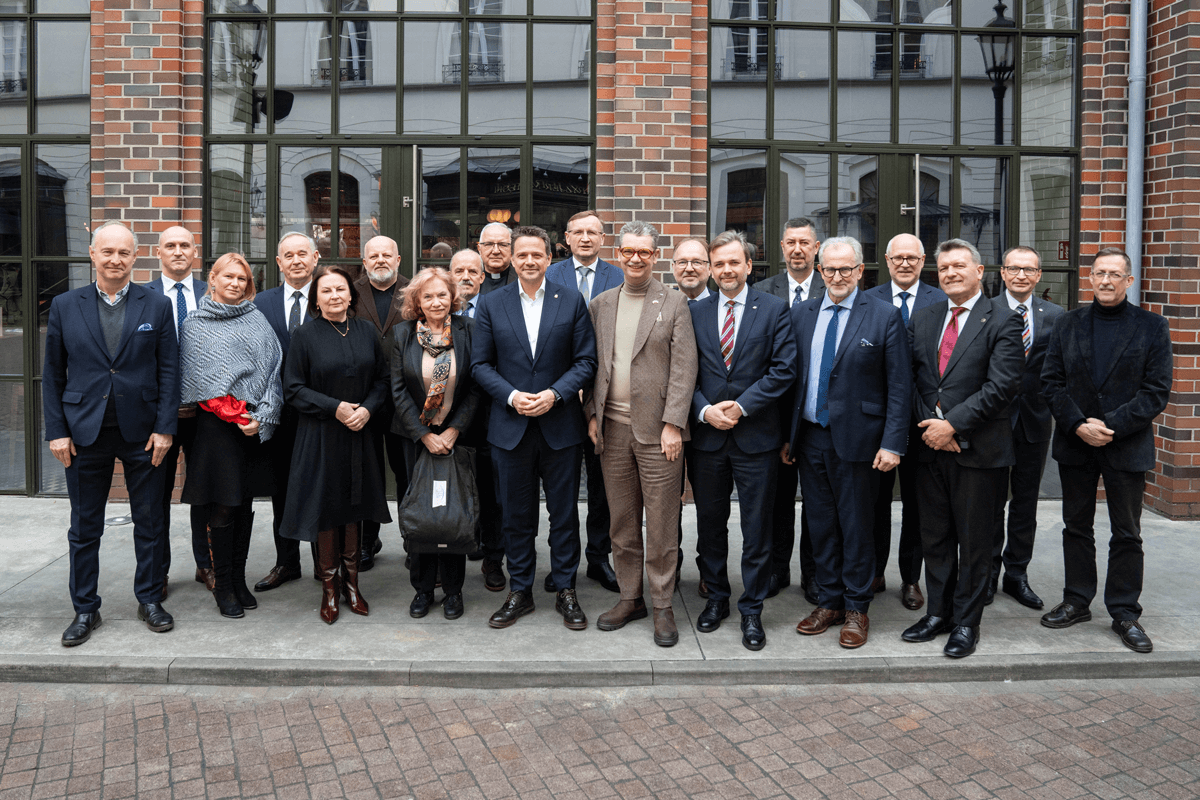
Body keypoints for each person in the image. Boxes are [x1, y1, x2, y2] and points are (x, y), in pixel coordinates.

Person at [44, 221, 179, 646]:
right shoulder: (66, 305)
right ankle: (85, 608)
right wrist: (57, 431)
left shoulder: (156, 305)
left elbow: (169, 371)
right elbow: (52, 374)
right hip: (84, 433)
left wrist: (165, 428)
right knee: (85, 528)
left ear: (135, 257)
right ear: (93, 254)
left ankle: (150, 599)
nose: (115, 259)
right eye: (107, 252)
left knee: (150, 522)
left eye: (123, 252)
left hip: (143, 433)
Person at [1040, 247, 1171, 653]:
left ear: (1129, 280)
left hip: (1126, 444)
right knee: (1076, 527)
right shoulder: (1067, 324)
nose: (1107, 281)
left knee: (1126, 531)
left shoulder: (1152, 326)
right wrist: (1078, 424)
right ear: (1090, 278)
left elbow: (1156, 391)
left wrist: (1109, 425)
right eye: (1100, 273)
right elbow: (1051, 382)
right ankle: (1077, 600)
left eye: (1115, 274)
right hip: (1075, 443)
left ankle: (1125, 612)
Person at [786, 237, 911, 649]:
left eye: (846, 269)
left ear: (860, 271)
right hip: (811, 437)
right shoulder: (802, 314)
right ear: (820, 271)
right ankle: (830, 601)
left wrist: (893, 443)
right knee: (821, 526)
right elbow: (793, 379)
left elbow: (899, 386)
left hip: (861, 441)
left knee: (856, 526)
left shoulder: (884, 315)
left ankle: (857, 607)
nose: (837, 277)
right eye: (830, 269)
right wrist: (789, 437)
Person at [471, 225, 598, 630]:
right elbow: (480, 365)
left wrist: (555, 394)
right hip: (510, 428)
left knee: (564, 515)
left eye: (536, 255)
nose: (529, 261)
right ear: (512, 259)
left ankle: (566, 589)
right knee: (516, 516)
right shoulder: (492, 303)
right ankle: (520, 590)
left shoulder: (571, 300)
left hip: (560, 427)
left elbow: (586, 361)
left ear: (549, 258)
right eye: (521, 254)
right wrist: (511, 396)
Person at [901, 239, 1023, 658]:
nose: (950, 273)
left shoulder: (1004, 321)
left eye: (958, 266)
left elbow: (1002, 386)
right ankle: (938, 613)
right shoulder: (925, 317)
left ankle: (967, 623)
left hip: (979, 452)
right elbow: (910, 379)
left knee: (974, 543)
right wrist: (930, 427)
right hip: (929, 448)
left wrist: (951, 424)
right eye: (944, 268)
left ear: (979, 270)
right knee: (934, 537)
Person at [586, 221, 697, 647]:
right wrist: (591, 414)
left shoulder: (674, 302)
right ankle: (630, 597)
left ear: (655, 255)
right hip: (612, 430)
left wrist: (674, 423)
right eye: (629, 251)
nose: (636, 259)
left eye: (644, 252)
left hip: (658, 434)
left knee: (662, 524)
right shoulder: (601, 304)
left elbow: (684, 368)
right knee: (622, 522)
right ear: (618, 253)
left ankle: (663, 604)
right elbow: (592, 364)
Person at [689, 230, 797, 652]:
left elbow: (784, 369)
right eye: (719, 264)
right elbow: (682, 373)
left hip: (756, 438)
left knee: (757, 528)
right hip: (707, 439)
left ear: (749, 266)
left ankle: (752, 608)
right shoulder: (694, 312)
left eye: (734, 262)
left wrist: (741, 407)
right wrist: (704, 410)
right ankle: (717, 597)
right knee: (710, 526)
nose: (727, 270)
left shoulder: (773, 309)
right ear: (711, 270)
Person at [281, 266, 391, 625]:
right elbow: (293, 388)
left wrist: (368, 409)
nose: (334, 296)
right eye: (325, 291)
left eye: (340, 289)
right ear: (315, 298)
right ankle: (329, 587)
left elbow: (382, 380)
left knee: (355, 506)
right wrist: (336, 408)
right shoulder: (304, 335)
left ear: (350, 295)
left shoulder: (366, 331)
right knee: (327, 508)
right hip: (321, 436)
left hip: (360, 432)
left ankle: (352, 584)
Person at [179, 252, 283, 619]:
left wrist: (262, 415)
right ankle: (222, 585)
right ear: (213, 279)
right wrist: (237, 415)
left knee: (245, 503)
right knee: (223, 505)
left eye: (242, 279)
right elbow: (200, 380)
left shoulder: (256, 318)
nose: (236, 283)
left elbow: (273, 369)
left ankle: (239, 579)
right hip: (216, 429)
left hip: (253, 424)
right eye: (229, 277)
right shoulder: (196, 323)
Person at [864, 233, 948, 611]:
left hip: (925, 421)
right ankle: (874, 571)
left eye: (911, 258)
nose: (904, 264)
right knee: (875, 502)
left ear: (922, 260)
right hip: (879, 420)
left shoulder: (940, 301)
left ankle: (911, 578)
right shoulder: (869, 300)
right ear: (886, 260)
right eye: (897, 257)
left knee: (917, 505)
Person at [391, 268, 481, 619]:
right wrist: (424, 434)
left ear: (452, 297)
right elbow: (398, 390)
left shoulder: (468, 330)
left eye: (442, 294)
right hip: (415, 439)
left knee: (452, 514)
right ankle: (423, 589)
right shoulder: (402, 334)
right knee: (422, 514)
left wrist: (454, 429)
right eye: (427, 296)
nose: (436, 302)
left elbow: (475, 386)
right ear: (417, 301)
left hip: (457, 436)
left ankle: (454, 591)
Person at [547, 210, 624, 593]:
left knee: (601, 484)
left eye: (593, 232)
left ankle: (598, 557)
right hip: (560, 394)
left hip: (607, 396)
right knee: (560, 488)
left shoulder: (619, 276)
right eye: (578, 232)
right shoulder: (549, 275)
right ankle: (562, 563)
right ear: (567, 237)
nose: (586, 238)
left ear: (603, 238)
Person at [989, 246, 1064, 609]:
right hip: (991, 421)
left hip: (1034, 422)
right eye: (1014, 268)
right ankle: (986, 573)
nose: (1021, 275)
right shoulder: (985, 310)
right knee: (989, 504)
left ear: (1038, 275)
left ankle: (1016, 574)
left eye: (1028, 270)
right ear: (1002, 272)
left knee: (1025, 504)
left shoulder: (1056, 316)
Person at [755, 218, 825, 605]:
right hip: (775, 417)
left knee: (816, 503)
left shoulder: (832, 287)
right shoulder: (763, 292)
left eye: (805, 242)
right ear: (781, 247)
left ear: (816, 248)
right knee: (777, 501)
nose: (797, 249)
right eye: (791, 242)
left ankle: (812, 575)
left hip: (816, 417)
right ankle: (777, 569)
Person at [146, 225, 210, 595]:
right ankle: (158, 574)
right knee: (156, 499)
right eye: (170, 245)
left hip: (206, 415)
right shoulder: (142, 296)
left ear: (195, 251)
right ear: (158, 252)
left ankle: (207, 564)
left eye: (185, 245)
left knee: (204, 494)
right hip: (158, 416)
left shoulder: (211, 292)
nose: (178, 251)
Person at [253, 232, 318, 592]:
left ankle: (326, 564)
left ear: (315, 258)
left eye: (302, 254)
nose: (296, 260)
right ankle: (287, 562)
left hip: (320, 410)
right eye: (288, 255)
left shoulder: (328, 295)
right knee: (282, 490)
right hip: (277, 413)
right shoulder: (261, 302)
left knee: (321, 486)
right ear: (278, 263)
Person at [352, 235, 411, 571]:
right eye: (373, 256)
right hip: (364, 399)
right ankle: (366, 541)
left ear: (398, 259)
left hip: (407, 399)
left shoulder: (415, 290)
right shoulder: (351, 292)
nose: (380, 260)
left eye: (387, 255)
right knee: (367, 474)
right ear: (364, 262)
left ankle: (413, 539)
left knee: (407, 474)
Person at [452, 248, 506, 591]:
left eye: (473, 271)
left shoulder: (496, 309)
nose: (466, 277)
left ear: (483, 277)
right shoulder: (437, 312)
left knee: (491, 492)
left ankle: (493, 557)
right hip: (448, 421)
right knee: (452, 490)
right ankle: (445, 554)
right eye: (459, 271)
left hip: (488, 417)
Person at [670, 238, 711, 589]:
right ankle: (671, 567)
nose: (689, 268)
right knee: (668, 503)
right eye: (682, 262)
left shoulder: (722, 307)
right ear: (672, 268)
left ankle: (708, 571)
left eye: (697, 261)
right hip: (667, 422)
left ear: (709, 268)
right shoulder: (663, 305)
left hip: (708, 422)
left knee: (709, 503)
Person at [476, 222, 517, 296]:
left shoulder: (523, 281)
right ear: (479, 249)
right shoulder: (470, 280)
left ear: (512, 249)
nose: (496, 251)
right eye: (489, 244)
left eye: (502, 244)